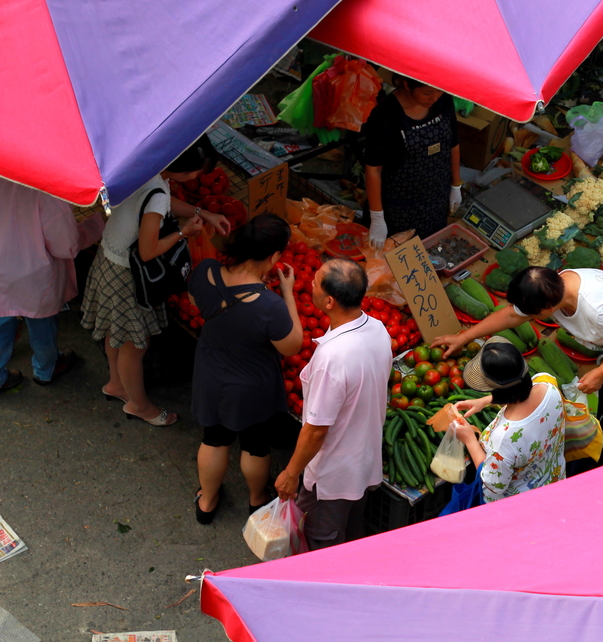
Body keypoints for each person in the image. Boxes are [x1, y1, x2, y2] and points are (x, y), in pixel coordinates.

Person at [433, 266, 603, 436]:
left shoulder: (598, 309)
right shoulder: (555, 284)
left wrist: (601, 373)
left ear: (546, 308)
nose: (526, 316)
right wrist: (465, 336)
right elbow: (512, 315)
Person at [81, 138, 230, 426]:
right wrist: (184, 233)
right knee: (135, 345)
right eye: (196, 173)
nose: (197, 178)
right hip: (128, 273)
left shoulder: (145, 169)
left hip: (109, 258)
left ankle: (116, 384)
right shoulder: (158, 195)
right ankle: (139, 405)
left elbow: (160, 201)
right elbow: (149, 251)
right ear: (183, 171)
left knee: (117, 331)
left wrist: (203, 213)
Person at [189, 214, 302, 524]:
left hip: (211, 374)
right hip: (252, 386)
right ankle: (256, 499)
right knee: (254, 445)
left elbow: (194, 300)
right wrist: (288, 293)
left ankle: (207, 502)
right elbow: (292, 345)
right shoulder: (269, 306)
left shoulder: (206, 272)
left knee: (213, 438)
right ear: (275, 256)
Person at [275, 257, 390, 551]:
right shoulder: (377, 329)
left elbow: (315, 430)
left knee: (321, 539)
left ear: (328, 302)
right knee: (351, 531)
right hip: (362, 461)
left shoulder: (332, 359)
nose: (309, 284)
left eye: (314, 282)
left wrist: (290, 473)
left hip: (333, 475)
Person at [0, 181, 103, 391]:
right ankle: (46, 369)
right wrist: (95, 225)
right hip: (34, 276)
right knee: (42, 324)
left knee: (2, 321)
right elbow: (66, 244)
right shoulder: (47, 188)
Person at [450, 338, 565, 503]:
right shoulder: (548, 385)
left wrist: (469, 439)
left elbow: (491, 486)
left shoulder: (505, 438)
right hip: (553, 481)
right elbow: (520, 390)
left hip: (521, 504)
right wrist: (486, 400)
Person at [362, 74, 462, 246]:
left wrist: (456, 185)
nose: (434, 97)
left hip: (437, 200)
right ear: (407, 84)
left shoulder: (443, 100)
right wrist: (377, 217)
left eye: (439, 90)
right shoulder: (385, 115)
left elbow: (453, 144)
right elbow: (373, 169)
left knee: (432, 251)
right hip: (400, 208)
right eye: (427, 93)